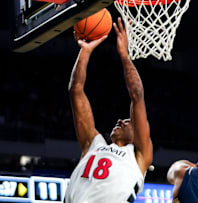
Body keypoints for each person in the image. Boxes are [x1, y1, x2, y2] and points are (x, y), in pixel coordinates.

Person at [64, 17, 153, 203]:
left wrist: (124, 56)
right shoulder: (93, 144)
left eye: (128, 122)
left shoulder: (139, 155)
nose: (120, 120)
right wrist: (85, 52)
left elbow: (137, 95)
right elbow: (76, 90)